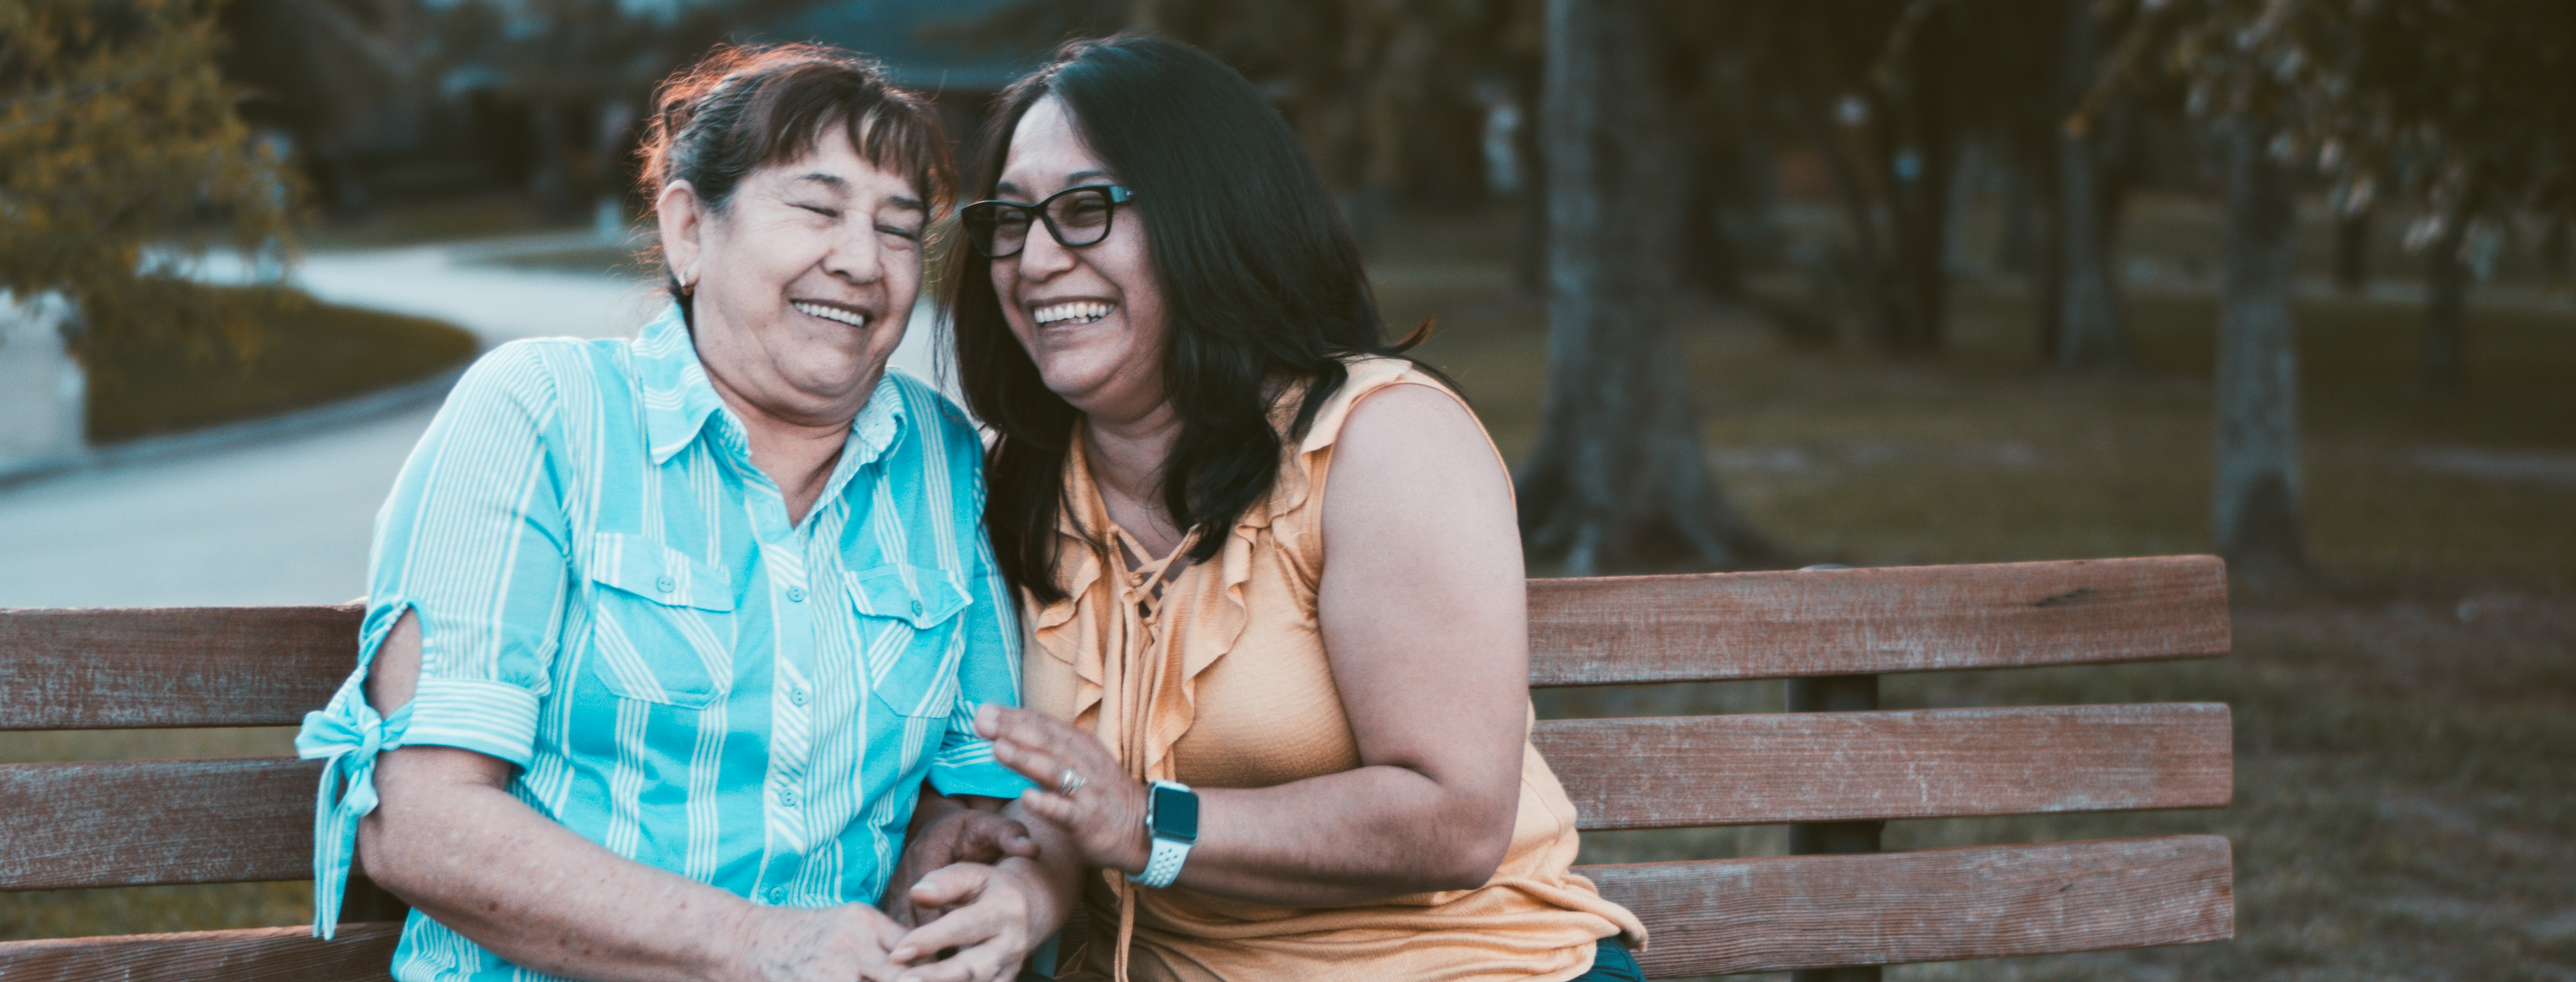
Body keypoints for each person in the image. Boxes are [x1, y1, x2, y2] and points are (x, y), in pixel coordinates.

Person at [292, 44, 1063, 982]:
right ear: (691, 229)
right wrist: (758, 944)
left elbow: (969, 779)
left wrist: (949, 865)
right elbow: (424, 822)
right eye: (817, 208)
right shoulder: (544, 413)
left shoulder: (938, 459)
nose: (863, 261)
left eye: (900, 229)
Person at [944, 36, 1652, 981]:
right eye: (1010, 219)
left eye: (1083, 210)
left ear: (1212, 217)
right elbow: (1022, 791)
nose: (1033, 260)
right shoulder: (1011, 482)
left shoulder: (1379, 443)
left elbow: (1453, 817)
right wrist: (1018, 879)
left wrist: (1148, 822)